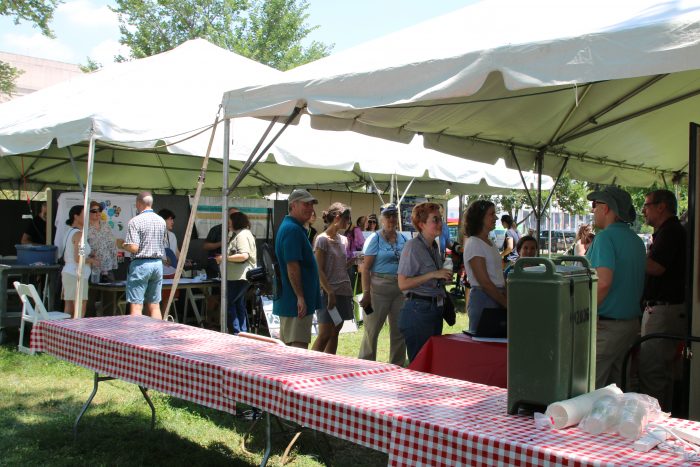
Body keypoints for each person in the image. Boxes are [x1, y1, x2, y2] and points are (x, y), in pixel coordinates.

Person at [586, 186, 646, 389]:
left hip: (606, 328)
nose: (593, 210)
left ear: (607, 208)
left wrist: (586, 312)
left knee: (590, 391)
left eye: (595, 205)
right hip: (630, 327)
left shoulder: (605, 238)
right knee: (617, 393)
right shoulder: (637, 241)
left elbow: (603, 282)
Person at [639, 189, 686, 411]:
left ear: (661, 206)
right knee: (665, 373)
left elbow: (656, 268)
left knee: (652, 373)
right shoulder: (670, 231)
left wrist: (635, 255)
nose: (644, 210)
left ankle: (653, 423)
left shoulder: (670, 232)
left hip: (663, 311)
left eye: (647, 205)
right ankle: (665, 416)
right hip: (669, 309)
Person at [397, 202, 453, 362]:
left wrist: (440, 277)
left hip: (434, 309)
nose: (440, 223)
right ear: (421, 224)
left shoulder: (433, 246)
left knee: (431, 362)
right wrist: (433, 274)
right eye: (435, 219)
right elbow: (402, 284)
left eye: (440, 219)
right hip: (418, 312)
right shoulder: (413, 247)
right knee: (420, 364)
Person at [359, 203, 407, 365]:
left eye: (394, 215)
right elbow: (365, 268)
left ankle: (397, 366)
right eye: (388, 216)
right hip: (378, 289)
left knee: (399, 331)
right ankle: (365, 366)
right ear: (381, 218)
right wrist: (366, 293)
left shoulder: (403, 238)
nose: (391, 219)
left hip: (399, 289)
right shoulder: (375, 238)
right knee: (372, 331)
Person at [273, 189, 322, 348]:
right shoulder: (292, 229)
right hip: (296, 303)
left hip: (293, 301)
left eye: (312, 205)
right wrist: (300, 297)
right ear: (293, 205)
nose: (310, 208)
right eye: (306, 204)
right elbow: (292, 266)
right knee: (298, 351)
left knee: (291, 350)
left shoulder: (292, 227)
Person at [312, 203, 355, 354]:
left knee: (336, 331)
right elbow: (318, 269)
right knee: (325, 334)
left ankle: (329, 366)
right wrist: (329, 291)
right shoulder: (322, 239)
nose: (348, 223)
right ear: (337, 218)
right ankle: (310, 367)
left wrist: (354, 261)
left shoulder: (343, 240)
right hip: (328, 292)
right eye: (347, 219)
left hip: (343, 290)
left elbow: (339, 266)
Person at [462, 200, 507, 334]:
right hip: (484, 299)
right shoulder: (474, 243)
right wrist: (505, 303)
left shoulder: (490, 243)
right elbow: (485, 282)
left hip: (496, 296)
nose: (496, 218)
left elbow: (497, 275)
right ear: (480, 217)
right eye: (491, 214)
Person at [121, 192, 167, 319]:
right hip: (157, 264)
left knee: (136, 306)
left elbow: (134, 248)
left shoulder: (135, 221)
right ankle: (157, 336)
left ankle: (136, 337)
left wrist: (123, 245)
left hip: (140, 264)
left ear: (138, 204)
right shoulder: (161, 221)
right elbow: (163, 244)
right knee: (155, 305)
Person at [61, 204, 99, 318]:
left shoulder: (69, 232)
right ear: (76, 216)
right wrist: (92, 260)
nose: (87, 217)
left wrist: (89, 254)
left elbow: (77, 253)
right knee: (79, 309)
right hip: (76, 274)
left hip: (69, 272)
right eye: (84, 214)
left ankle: (65, 333)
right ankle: (75, 332)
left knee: (69, 307)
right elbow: (79, 258)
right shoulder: (79, 234)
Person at [223, 211, 257, 335]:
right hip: (239, 276)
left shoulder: (242, 235)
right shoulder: (241, 234)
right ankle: (242, 333)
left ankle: (236, 333)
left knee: (230, 303)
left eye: (230, 222)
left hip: (239, 276)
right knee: (238, 304)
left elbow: (243, 255)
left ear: (236, 222)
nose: (228, 224)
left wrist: (224, 258)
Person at [87, 201, 119, 282]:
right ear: (87, 212)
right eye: (94, 211)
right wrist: (89, 255)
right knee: (93, 293)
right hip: (91, 268)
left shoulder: (105, 225)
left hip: (108, 267)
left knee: (109, 292)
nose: (98, 213)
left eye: (100, 210)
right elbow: (80, 248)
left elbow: (112, 242)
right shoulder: (84, 228)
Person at [158, 208, 180, 275]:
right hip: (159, 273)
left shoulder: (172, 235)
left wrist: (184, 261)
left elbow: (176, 252)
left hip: (172, 272)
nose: (172, 222)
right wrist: (162, 260)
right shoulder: (154, 234)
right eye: (170, 219)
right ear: (162, 220)